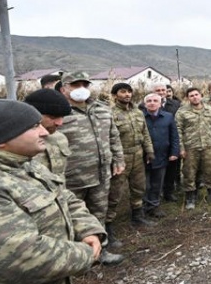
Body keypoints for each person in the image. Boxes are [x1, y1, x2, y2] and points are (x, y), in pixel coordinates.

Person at [0, 99, 104, 284]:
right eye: (33, 127)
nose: (45, 132)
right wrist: (87, 254)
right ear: (0, 140)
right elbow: (19, 258)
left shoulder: (22, 163)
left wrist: (89, 229)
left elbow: (64, 196)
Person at [59, 71, 125, 265]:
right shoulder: (58, 112)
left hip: (101, 172)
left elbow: (114, 136)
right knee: (69, 217)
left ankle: (100, 252)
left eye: (84, 85)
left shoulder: (102, 110)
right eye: (75, 85)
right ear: (64, 89)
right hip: (71, 176)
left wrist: (118, 159)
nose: (81, 89)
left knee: (98, 212)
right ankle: (75, 257)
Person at [107, 82, 155, 229]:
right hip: (120, 158)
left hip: (138, 156)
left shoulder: (138, 112)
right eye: (123, 92)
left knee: (139, 188)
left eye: (129, 91)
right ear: (115, 95)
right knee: (115, 193)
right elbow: (107, 138)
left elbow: (145, 133)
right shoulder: (109, 114)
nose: (127, 94)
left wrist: (149, 151)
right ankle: (108, 225)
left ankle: (137, 217)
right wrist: (114, 159)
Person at [176, 87, 211, 210]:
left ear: (201, 95)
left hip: (207, 146)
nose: (194, 97)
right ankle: (190, 197)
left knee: (210, 170)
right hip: (190, 147)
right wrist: (181, 148)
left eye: (196, 94)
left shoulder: (210, 110)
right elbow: (178, 131)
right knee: (189, 173)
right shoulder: (182, 112)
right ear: (187, 98)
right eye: (191, 95)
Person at [141, 92, 180, 218]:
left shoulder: (168, 117)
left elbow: (174, 136)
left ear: (160, 103)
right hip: (143, 157)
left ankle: (154, 206)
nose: (152, 103)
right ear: (145, 103)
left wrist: (174, 152)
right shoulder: (139, 117)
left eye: (155, 101)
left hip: (161, 155)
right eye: (149, 101)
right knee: (144, 185)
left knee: (157, 183)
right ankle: (142, 207)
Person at [24, 88, 73, 178]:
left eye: (62, 117)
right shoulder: (15, 143)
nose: (60, 123)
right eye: (52, 117)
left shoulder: (60, 138)